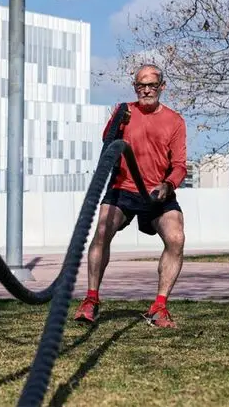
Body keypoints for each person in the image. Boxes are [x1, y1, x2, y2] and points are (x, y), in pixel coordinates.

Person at [74, 63, 188, 328]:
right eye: (141, 85)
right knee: (102, 231)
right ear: (135, 87)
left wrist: (168, 185)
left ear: (162, 86)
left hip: (157, 192)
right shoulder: (124, 111)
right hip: (123, 188)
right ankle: (91, 300)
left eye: (152, 85)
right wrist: (117, 122)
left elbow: (180, 165)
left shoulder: (175, 121)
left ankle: (159, 307)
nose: (146, 90)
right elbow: (108, 144)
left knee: (176, 238)